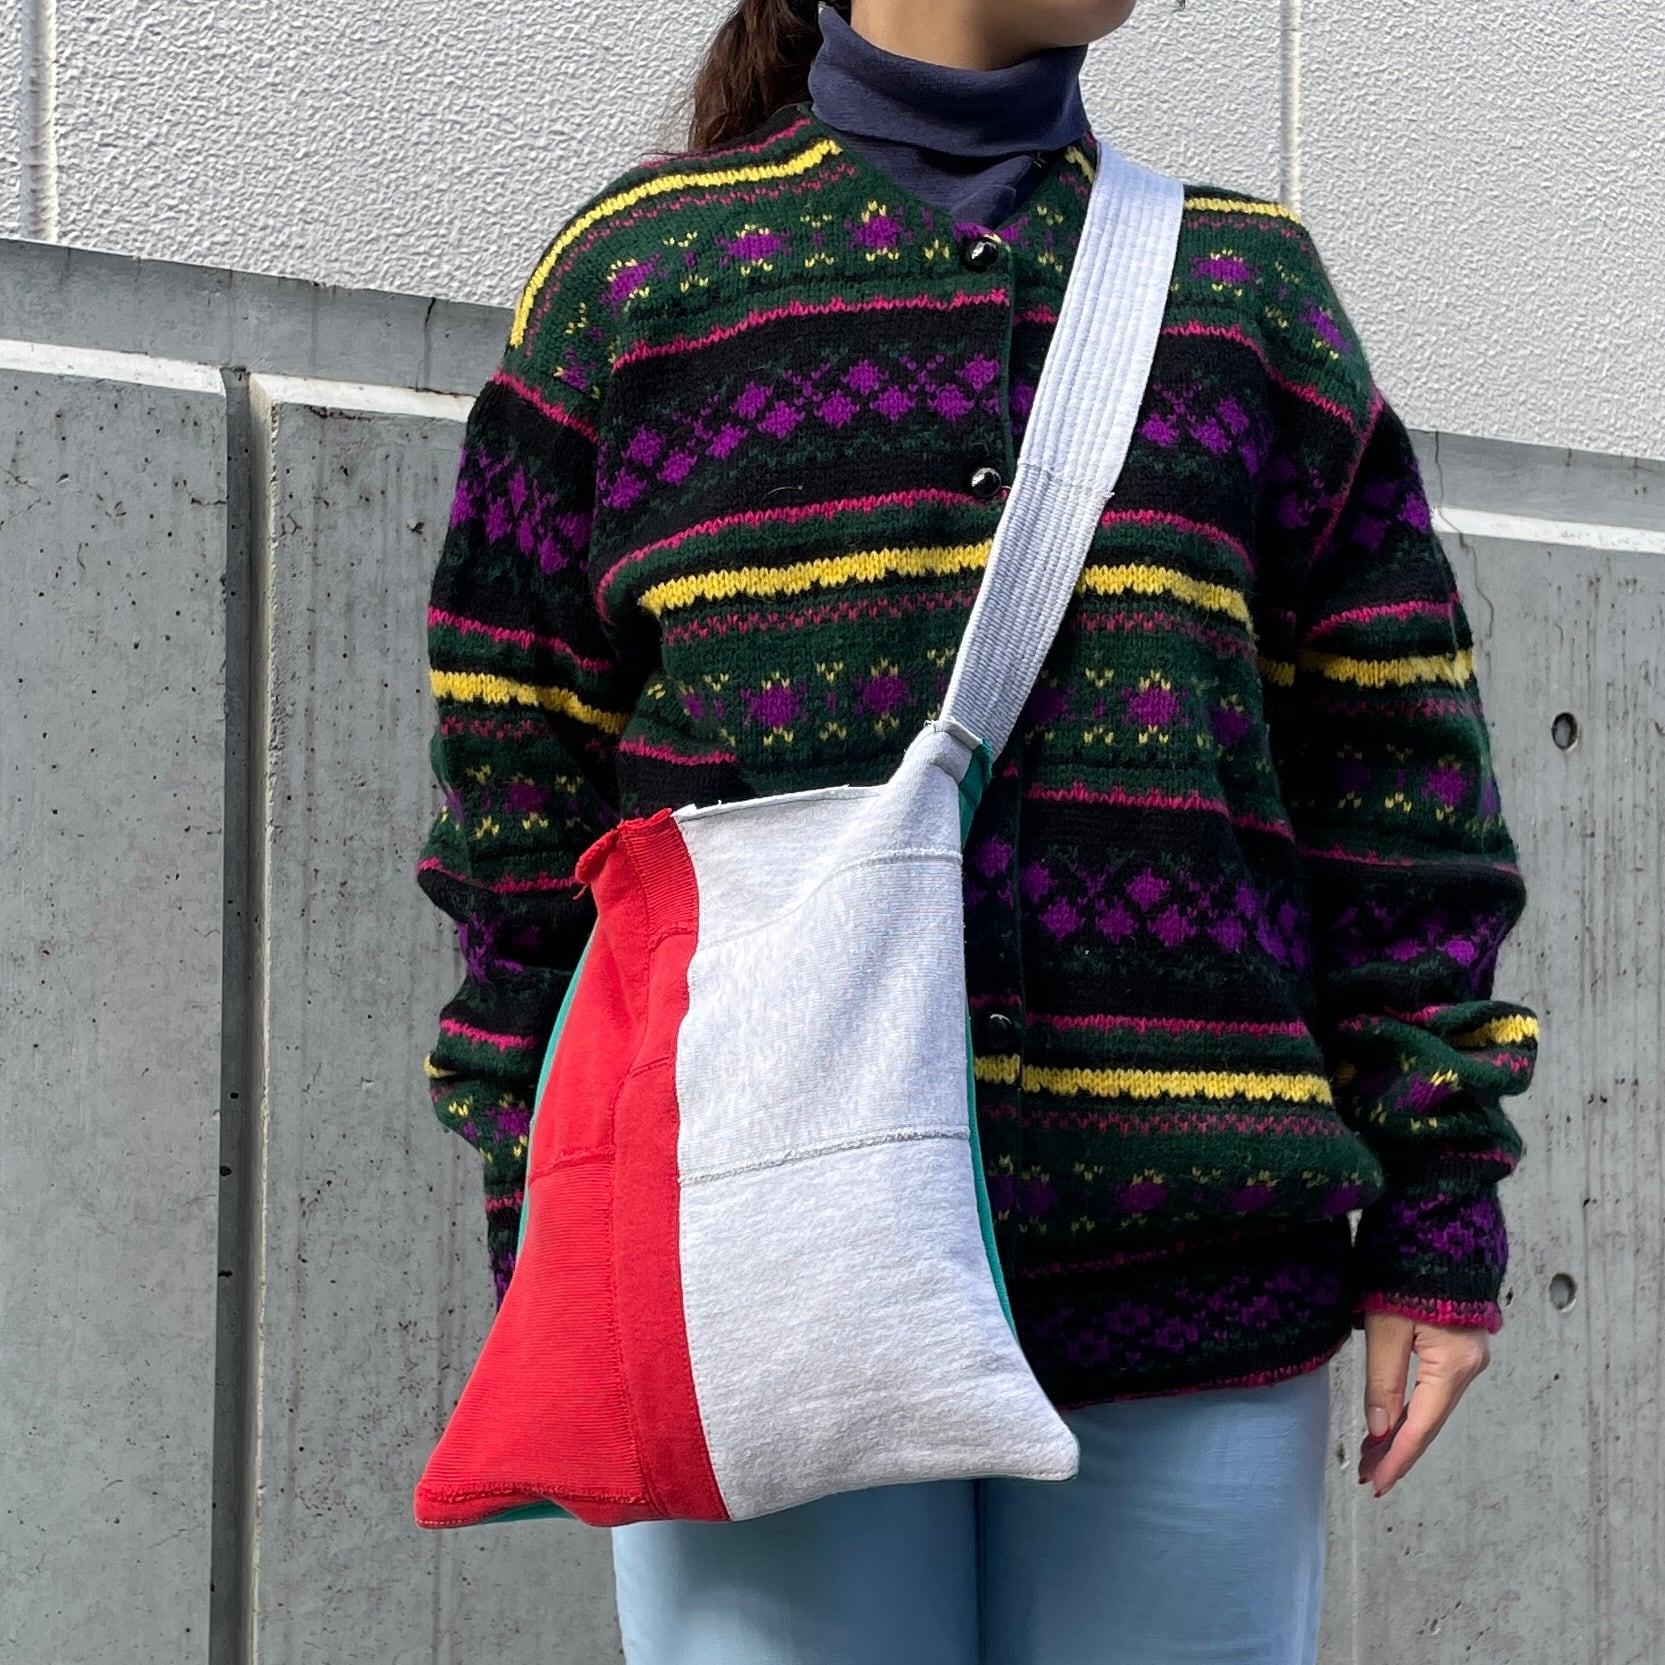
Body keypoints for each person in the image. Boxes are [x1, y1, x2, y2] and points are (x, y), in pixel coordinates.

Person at [415, 1, 1540, 1659]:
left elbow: (1396, 784)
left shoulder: (1245, 294)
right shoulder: (641, 279)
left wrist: (1439, 1201)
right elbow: (516, 812)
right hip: (747, 1274)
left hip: (1191, 1286)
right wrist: (556, 1220)